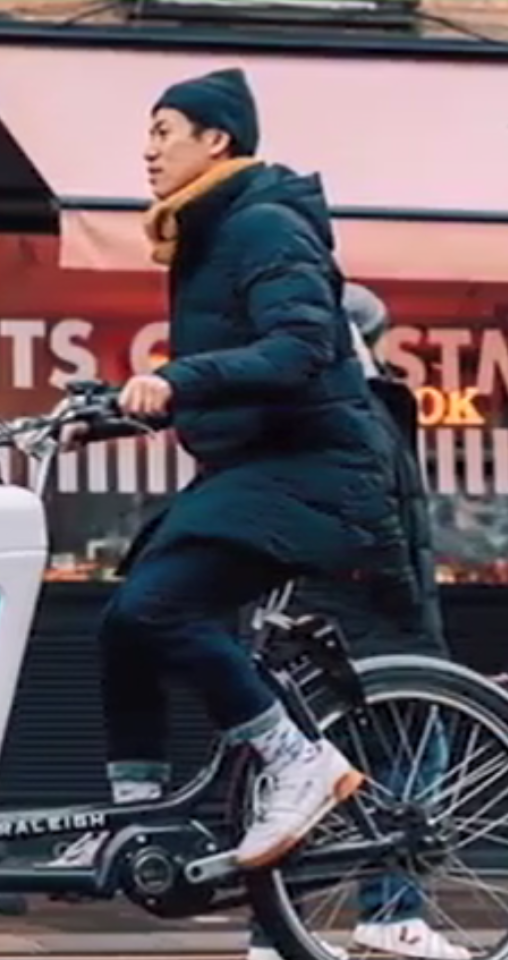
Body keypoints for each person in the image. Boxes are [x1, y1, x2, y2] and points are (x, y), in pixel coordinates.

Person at [64, 67, 410, 870]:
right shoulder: (209, 231)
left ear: (214, 140)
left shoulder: (263, 226)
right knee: (124, 623)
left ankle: (301, 763)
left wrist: (177, 380)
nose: (146, 151)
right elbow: (236, 371)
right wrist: (109, 410)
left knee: (158, 608)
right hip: (259, 467)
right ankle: (136, 814)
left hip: (315, 470)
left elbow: (299, 350)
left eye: (163, 132)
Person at [244, 283, 470, 960]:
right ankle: (387, 916)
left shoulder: (337, 404)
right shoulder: (355, 408)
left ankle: (280, 933)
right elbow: (376, 520)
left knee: (302, 777)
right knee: (401, 764)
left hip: (332, 612)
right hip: (364, 617)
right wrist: (406, 603)